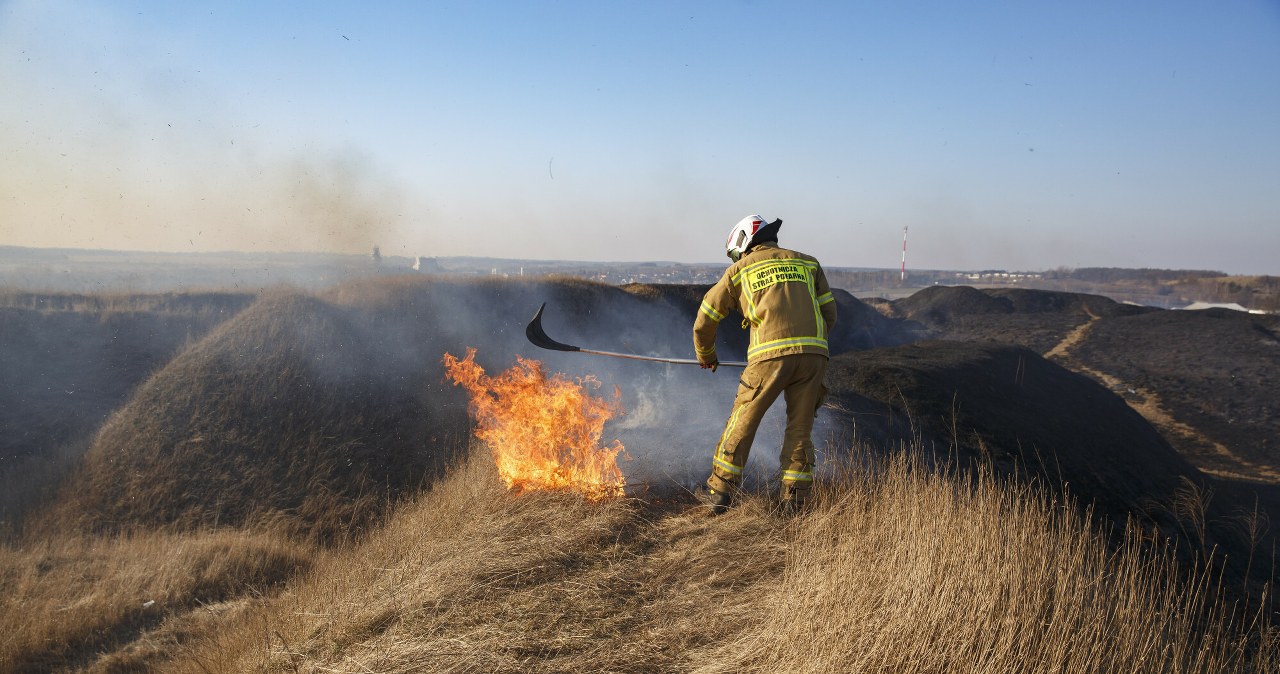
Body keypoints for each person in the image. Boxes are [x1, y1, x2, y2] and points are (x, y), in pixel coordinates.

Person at [693, 214, 837, 515]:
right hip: (814, 356)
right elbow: (830, 314)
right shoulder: (808, 263)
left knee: (743, 421)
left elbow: (706, 316)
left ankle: (720, 493)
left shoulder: (739, 270)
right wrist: (809, 345)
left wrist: (706, 354)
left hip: (768, 357)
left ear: (744, 242)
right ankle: (794, 500)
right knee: (800, 429)